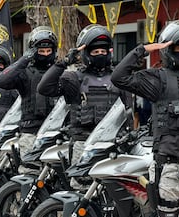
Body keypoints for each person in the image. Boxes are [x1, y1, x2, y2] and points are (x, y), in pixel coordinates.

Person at [111, 20, 179, 217]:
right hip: (170, 167)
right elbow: (119, 77)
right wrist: (143, 50)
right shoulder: (158, 79)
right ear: (169, 49)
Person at [37, 24, 132, 165]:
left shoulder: (117, 79)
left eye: (103, 51)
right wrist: (63, 63)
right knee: (81, 185)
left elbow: (128, 111)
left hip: (112, 146)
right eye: (95, 52)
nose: (100, 54)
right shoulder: (74, 78)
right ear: (86, 54)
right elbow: (44, 88)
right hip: (83, 145)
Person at [0, 26, 57, 171]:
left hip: (56, 133)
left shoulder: (59, 71)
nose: (45, 54)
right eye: (41, 51)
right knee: (29, 173)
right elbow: (2, 80)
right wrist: (25, 59)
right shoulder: (25, 73)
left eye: (49, 51)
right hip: (31, 131)